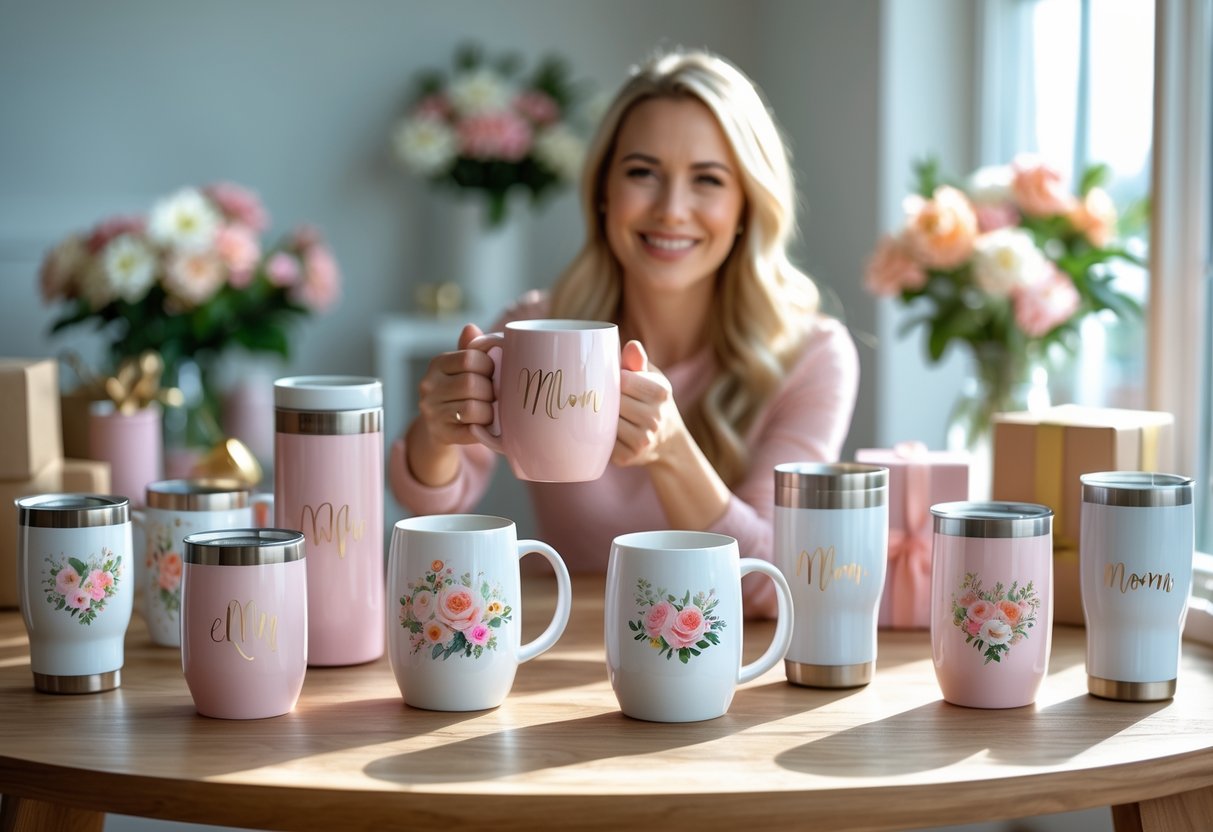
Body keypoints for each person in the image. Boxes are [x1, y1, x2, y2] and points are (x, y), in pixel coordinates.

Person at [389, 48, 859, 617]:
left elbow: (771, 588)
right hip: (566, 636)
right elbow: (427, 499)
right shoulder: (532, 326)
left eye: (707, 180)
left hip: (725, 669)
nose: (671, 209)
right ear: (604, 190)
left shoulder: (812, 355)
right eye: (643, 173)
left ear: (746, 206)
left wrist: (671, 453)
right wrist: (438, 430)